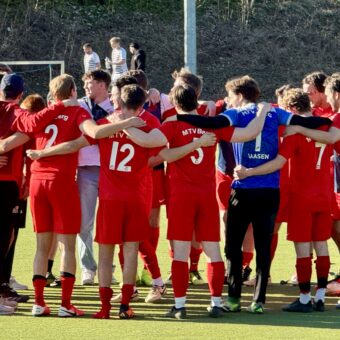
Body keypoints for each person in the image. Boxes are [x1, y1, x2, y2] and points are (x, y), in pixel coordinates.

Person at [175, 75, 332, 313]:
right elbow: (308, 123)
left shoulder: (236, 114)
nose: (228, 101)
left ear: (239, 95)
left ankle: (234, 299)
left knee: (233, 247)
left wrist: (178, 116)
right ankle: (258, 301)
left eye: (229, 96)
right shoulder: (275, 113)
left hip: (243, 188)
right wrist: (325, 125)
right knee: (263, 247)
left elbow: (214, 123)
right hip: (270, 191)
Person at [1, 74, 145, 317]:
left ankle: (39, 303)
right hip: (62, 182)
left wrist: (39, 153)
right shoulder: (78, 113)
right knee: (67, 245)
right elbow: (94, 134)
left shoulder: (41, 115)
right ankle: (65, 304)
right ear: (73, 92)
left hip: (37, 183)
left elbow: (9, 143)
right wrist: (125, 123)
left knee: (41, 246)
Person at [123, 84, 269, 318]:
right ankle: (216, 302)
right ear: (196, 100)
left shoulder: (172, 125)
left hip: (181, 196)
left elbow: (150, 146)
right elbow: (250, 132)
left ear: (175, 102)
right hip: (206, 195)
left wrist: (122, 123)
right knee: (213, 250)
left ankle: (180, 305)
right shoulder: (213, 125)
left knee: (180, 252)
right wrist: (262, 111)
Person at [234, 88, 332, 312]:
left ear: (294, 110)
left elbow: (278, 163)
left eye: (287, 111)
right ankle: (320, 296)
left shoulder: (294, 132)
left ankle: (305, 298)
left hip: (302, 198)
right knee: (321, 245)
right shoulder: (325, 125)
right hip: (324, 196)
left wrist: (249, 171)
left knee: (303, 248)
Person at [77, 69, 113, 285]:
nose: (86, 87)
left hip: (110, 169)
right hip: (85, 169)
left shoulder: (116, 106)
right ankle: (87, 267)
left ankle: (108, 268)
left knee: (109, 222)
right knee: (84, 223)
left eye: (89, 83)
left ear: (102, 85)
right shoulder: (79, 104)